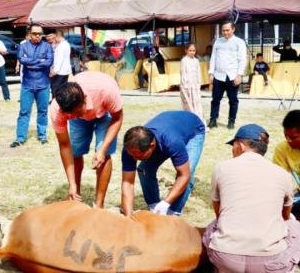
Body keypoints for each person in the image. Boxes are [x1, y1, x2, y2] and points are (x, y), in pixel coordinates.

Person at [203, 124, 300, 272]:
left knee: (212, 225)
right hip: (268, 261)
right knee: (296, 227)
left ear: (241, 146)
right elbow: (285, 217)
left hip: (226, 258)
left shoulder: (221, 168)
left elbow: (219, 213)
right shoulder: (283, 174)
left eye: (233, 145)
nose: (232, 149)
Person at [50, 72, 123, 208]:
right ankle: (75, 195)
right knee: (75, 152)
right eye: (69, 115)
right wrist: (71, 184)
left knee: (104, 155)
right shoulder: (57, 109)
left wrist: (102, 149)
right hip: (81, 117)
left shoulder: (106, 91)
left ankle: (99, 205)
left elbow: (118, 118)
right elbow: (65, 146)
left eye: (76, 113)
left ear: (84, 99)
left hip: (104, 110)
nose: (72, 116)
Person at [121, 111, 205, 216]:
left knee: (188, 173)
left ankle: (173, 213)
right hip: (169, 127)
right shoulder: (130, 149)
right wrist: (129, 216)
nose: (134, 158)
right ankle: (154, 206)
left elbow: (184, 175)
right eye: (132, 155)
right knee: (144, 169)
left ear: (151, 146)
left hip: (193, 130)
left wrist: (166, 203)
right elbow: (128, 182)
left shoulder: (172, 142)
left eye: (138, 155)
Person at [10, 24, 53, 148]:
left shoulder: (47, 47)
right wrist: (40, 61)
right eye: (35, 33)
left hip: (43, 84)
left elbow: (49, 62)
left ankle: (42, 135)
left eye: (40, 33)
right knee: (24, 112)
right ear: (30, 34)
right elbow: (22, 60)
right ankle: (20, 138)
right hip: (27, 85)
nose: (38, 36)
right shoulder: (23, 46)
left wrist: (31, 62)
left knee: (43, 112)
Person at [208, 20, 247, 130]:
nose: (225, 32)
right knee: (215, 99)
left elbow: (242, 60)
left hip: (232, 76)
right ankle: (213, 120)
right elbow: (213, 58)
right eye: (223, 30)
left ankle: (231, 121)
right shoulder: (218, 42)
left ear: (233, 29)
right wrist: (211, 73)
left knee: (233, 100)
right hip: (218, 76)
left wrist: (239, 75)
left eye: (227, 30)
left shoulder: (239, 42)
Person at [273, 110, 300, 219]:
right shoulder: (282, 149)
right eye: (286, 136)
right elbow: (278, 179)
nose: (288, 140)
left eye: (293, 137)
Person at [180, 43, 204, 124]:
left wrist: (198, 84)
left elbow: (198, 73)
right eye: (190, 50)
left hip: (195, 86)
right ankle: (189, 122)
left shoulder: (196, 61)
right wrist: (185, 86)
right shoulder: (184, 60)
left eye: (194, 50)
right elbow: (183, 73)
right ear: (186, 50)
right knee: (188, 104)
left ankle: (198, 121)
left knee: (197, 104)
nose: (192, 52)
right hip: (186, 86)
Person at [49, 30, 71, 98]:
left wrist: (55, 71)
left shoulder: (62, 46)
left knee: (55, 90)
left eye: (55, 37)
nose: (54, 39)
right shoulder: (66, 44)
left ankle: (56, 103)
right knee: (62, 89)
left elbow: (59, 59)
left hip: (60, 72)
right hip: (64, 71)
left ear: (58, 36)